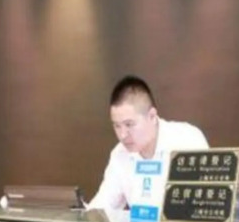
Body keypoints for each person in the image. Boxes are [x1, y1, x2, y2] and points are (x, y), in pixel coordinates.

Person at [87, 75, 208, 210]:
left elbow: (206, 205)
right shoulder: (120, 154)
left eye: (129, 124)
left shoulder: (188, 139)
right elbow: (103, 205)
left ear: (152, 116)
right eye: (117, 126)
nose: (122, 135)